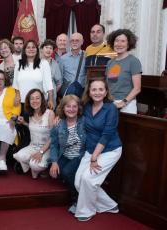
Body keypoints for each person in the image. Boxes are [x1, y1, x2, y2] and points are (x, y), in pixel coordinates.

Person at [74, 79, 122, 221]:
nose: (97, 92)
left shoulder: (111, 108)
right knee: (78, 182)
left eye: (101, 89)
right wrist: (58, 116)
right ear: (89, 92)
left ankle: (86, 211)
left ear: (106, 92)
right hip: (90, 149)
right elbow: (70, 111)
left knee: (88, 179)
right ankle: (110, 205)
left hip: (109, 150)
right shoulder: (86, 106)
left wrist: (94, 158)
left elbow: (106, 135)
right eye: (94, 89)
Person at [49, 95, 86, 212]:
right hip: (65, 155)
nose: (71, 109)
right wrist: (54, 162)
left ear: (78, 108)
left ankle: (77, 200)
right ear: (63, 108)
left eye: (74, 106)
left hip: (80, 156)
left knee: (66, 172)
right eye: (68, 106)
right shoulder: (58, 125)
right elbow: (54, 145)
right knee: (55, 172)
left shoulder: (84, 121)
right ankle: (74, 178)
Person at [13, 89, 55, 179]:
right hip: (33, 146)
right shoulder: (31, 114)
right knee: (19, 156)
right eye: (32, 99)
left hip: (47, 148)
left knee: (34, 165)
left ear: (42, 100)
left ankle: (40, 166)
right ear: (29, 101)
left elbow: (53, 136)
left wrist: (40, 152)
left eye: (37, 98)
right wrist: (24, 123)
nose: (34, 101)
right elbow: (36, 129)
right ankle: (34, 164)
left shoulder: (50, 113)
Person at [106, 29, 142, 114]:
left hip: (127, 105)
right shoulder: (110, 62)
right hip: (111, 103)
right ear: (113, 42)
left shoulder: (133, 61)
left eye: (123, 41)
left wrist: (123, 102)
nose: (119, 44)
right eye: (117, 41)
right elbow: (108, 85)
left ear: (128, 44)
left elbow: (137, 88)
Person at [13, 39, 54, 110]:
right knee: (24, 121)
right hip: (22, 102)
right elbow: (15, 82)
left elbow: (49, 83)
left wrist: (50, 99)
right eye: (28, 47)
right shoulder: (18, 63)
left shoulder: (44, 63)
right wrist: (17, 95)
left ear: (37, 50)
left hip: (38, 103)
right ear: (24, 50)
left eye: (33, 47)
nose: (31, 49)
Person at [59, 33, 86, 97]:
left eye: (77, 40)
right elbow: (60, 78)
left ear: (82, 42)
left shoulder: (86, 56)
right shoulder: (62, 59)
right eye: (72, 40)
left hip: (82, 92)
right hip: (68, 92)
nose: (74, 42)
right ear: (69, 42)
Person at [40, 39, 63, 106]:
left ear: (53, 51)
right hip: (38, 96)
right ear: (42, 49)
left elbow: (59, 82)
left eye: (51, 48)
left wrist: (53, 91)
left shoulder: (55, 64)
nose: (48, 50)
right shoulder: (36, 62)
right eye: (46, 47)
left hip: (51, 98)